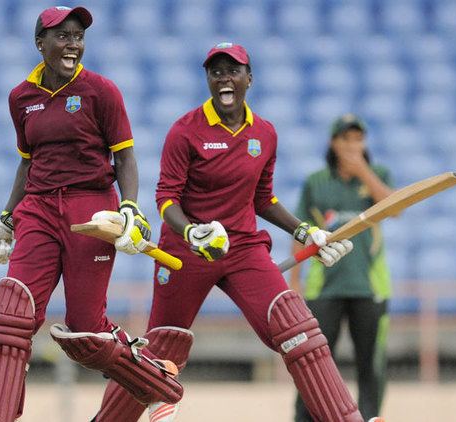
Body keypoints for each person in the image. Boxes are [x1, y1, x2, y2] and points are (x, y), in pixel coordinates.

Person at [91, 42, 384, 422]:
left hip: (243, 248)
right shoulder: (186, 130)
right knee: (160, 353)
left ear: (249, 79)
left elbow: (263, 199)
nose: (224, 78)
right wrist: (192, 232)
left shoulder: (264, 133)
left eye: (233, 71)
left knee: (296, 326)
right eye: (216, 72)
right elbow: (166, 198)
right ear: (209, 80)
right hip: (186, 250)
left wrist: (305, 232)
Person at [0, 6, 183, 422]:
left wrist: (129, 209)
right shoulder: (21, 98)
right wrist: (7, 218)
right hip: (39, 208)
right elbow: (27, 162)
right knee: (12, 316)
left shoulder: (101, 91)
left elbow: (125, 157)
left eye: (78, 37)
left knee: (85, 331)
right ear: (40, 44)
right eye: (63, 36)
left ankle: (159, 387)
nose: (73, 44)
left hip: (91, 207)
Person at [290, 114, 394, 422]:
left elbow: (394, 208)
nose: (352, 145)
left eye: (358, 139)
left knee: (371, 365)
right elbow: (300, 231)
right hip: (324, 287)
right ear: (333, 143)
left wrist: (362, 170)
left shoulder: (379, 173)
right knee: (313, 364)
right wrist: (294, 281)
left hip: (370, 286)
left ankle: (369, 418)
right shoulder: (316, 182)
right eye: (346, 139)